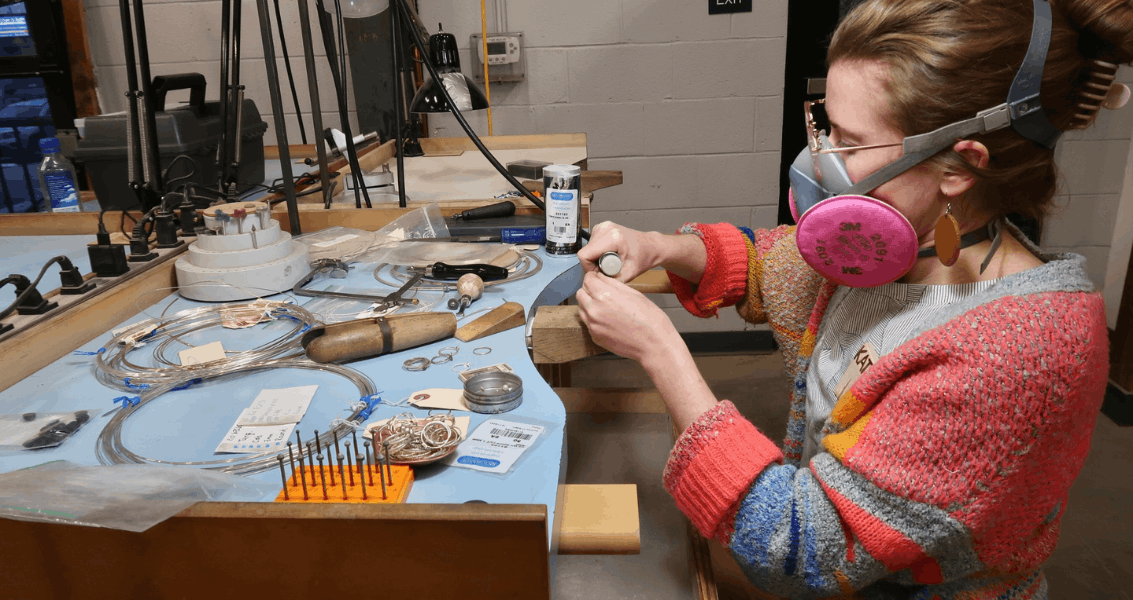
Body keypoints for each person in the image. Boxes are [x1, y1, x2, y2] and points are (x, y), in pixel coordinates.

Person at [575, 0, 1131, 597]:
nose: (822, 159)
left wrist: (662, 351)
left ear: (958, 168)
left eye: (851, 142)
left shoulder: (1016, 355)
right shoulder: (903, 249)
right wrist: (657, 246)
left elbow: (802, 552)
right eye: (827, 126)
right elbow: (774, 264)